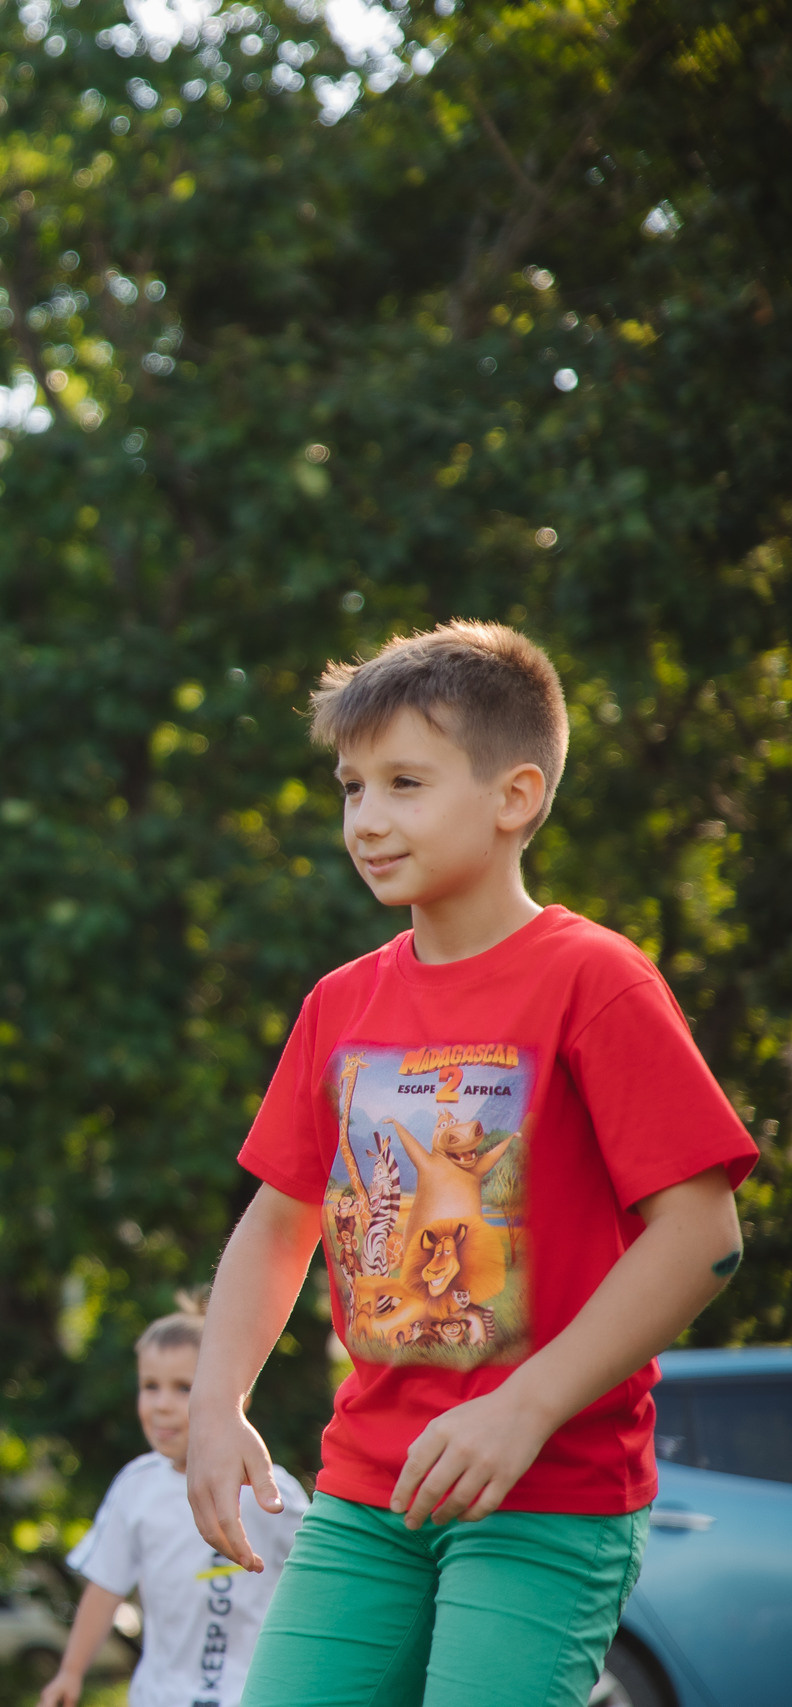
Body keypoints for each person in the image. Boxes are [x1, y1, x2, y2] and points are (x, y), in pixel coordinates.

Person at [184, 622, 755, 1707]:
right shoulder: (340, 1002)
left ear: (515, 796)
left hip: (550, 1500)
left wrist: (524, 1407)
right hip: (366, 1497)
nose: (367, 819)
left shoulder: (596, 980)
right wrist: (217, 1405)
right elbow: (276, 1220)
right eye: (352, 788)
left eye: (404, 782)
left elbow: (701, 1239)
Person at [40, 1303, 307, 1707]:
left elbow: (320, 1577)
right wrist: (71, 1671)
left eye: (184, 1388)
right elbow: (105, 1588)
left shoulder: (269, 1490)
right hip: (159, 1697)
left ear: (236, 1398)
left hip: (251, 1696)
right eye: (150, 1386)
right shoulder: (135, 1488)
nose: (162, 1404)